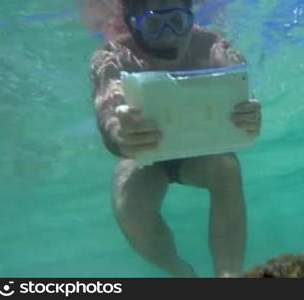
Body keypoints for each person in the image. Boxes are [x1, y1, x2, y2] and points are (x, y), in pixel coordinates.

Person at [88, 0, 262, 277]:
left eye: (178, 22)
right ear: (132, 21)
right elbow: (107, 113)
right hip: (145, 157)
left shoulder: (213, 46)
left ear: (190, 17)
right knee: (128, 206)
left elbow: (242, 89)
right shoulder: (113, 55)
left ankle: (228, 277)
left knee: (226, 169)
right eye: (155, 24)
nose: (169, 34)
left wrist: (250, 115)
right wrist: (119, 133)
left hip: (200, 155)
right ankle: (180, 273)